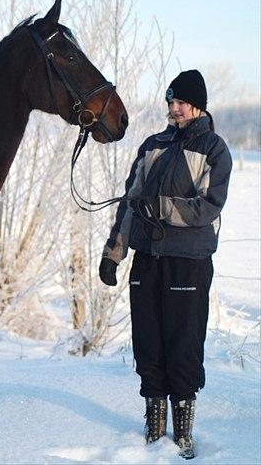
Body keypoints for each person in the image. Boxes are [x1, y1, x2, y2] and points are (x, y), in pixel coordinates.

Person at [98, 70, 232, 459]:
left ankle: (184, 435)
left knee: (183, 344)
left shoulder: (214, 149)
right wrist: (113, 254)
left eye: (180, 103)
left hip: (187, 262)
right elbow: (129, 202)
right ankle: (154, 431)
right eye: (170, 103)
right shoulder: (152, 145)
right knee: (148, 344)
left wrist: (161, 208)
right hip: (148, 261)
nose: (173, 109)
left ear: (198, 105)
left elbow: (208, 207)